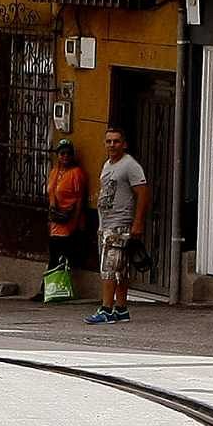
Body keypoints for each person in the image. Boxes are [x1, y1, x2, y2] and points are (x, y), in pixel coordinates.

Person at [85, 127, 149, 324]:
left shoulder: (130, 165)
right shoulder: (107, 165)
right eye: (109, 141)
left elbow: (143, 192)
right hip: (106, 224)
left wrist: (137, 222)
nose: (112, 145)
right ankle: (121, 308)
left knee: (110, 268)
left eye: (116, 141)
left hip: (120, 224)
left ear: (124, 144)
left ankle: (106, 308)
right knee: (120, 269)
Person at [40, 138, 87, 299]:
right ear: (57, 155)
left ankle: (47, 290)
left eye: (68, 153)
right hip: (55, 219)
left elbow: (80, 199)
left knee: (59, 256)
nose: (65, 156)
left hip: (67, 220)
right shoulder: (55, 172)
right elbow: (51, 193)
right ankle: (49, 289)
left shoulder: (76, 174)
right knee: (54, 255)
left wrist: (75, 221)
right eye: (62, 153)